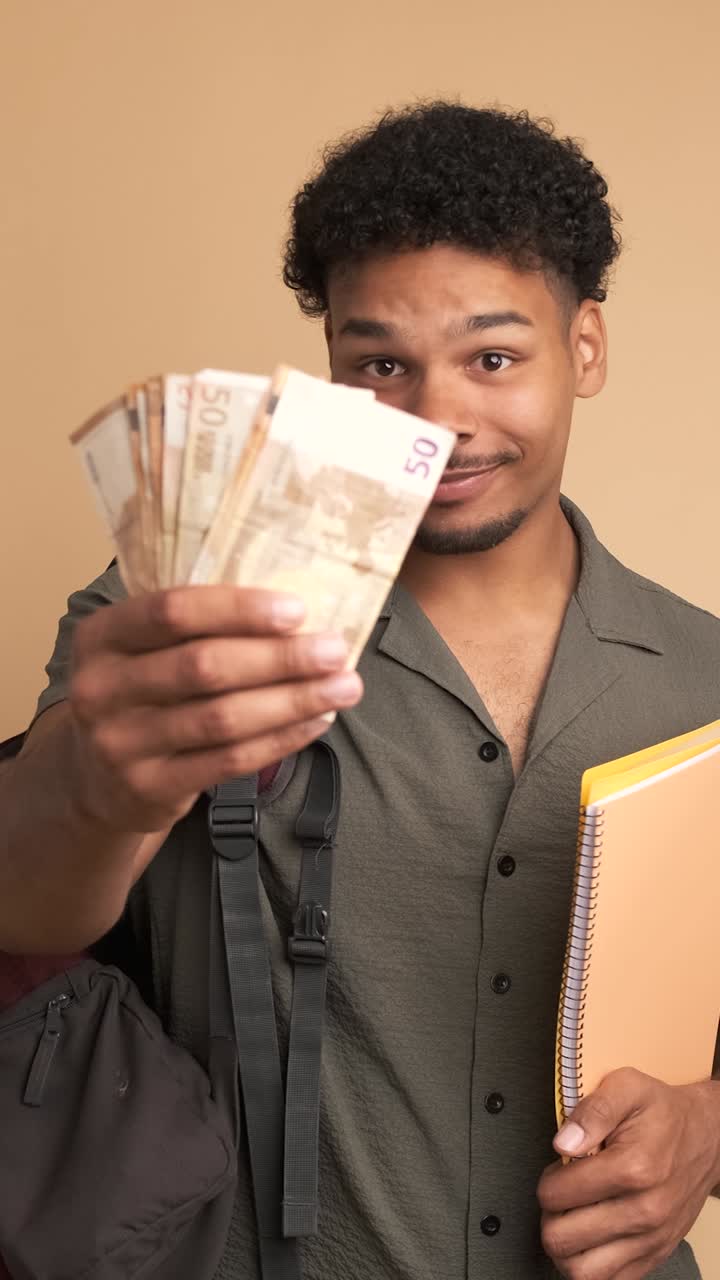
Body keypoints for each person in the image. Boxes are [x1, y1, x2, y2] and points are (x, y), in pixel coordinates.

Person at [2, 102, 719, 1280]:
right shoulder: (192, 608)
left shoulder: (705, 674)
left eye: (493, 357)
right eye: (380, 365)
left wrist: (709, 1122)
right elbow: (24, 898)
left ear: (585, 348)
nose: (437, 422)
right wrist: (99, 785)